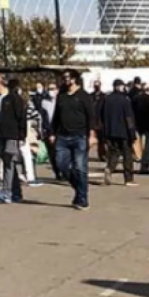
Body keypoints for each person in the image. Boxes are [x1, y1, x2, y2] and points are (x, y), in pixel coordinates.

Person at [51, 70, 96, 210]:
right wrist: (52, 132)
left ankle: (82, 199)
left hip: (80, 136)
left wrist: (92, 135)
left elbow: (91, 117)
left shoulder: (84, 96)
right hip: (62, 136)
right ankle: (79, 190)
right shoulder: (62, 96)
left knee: (80, 167)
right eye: (63, 78)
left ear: (75, 79)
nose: (65, 80)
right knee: (61, 165)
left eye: (67, 77)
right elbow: (56, 115)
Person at [0, 75, 28, 204]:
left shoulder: (14, 99)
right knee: (8, 163)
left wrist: (22, 135)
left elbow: (21, 117)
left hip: (12, 135)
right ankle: (16, 192)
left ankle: (6, 192)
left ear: (0, 84)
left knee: (8, 161)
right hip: (0, 135)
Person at [99, 79, 137, 186]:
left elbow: (101, 116)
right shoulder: (125, 100)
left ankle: (109, 169)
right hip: (124, 132)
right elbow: (129, 117)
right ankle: (128, 179)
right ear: (119, 87)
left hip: (110, 132)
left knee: (113, 153)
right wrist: (132, 133)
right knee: (127, 155)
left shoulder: (106, 99)